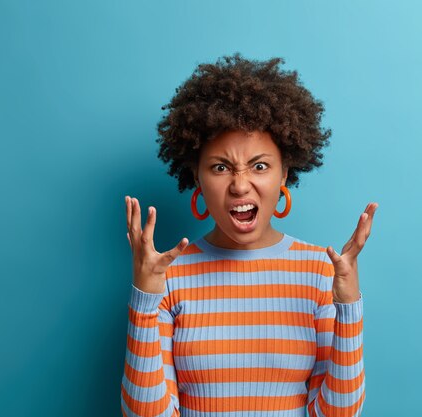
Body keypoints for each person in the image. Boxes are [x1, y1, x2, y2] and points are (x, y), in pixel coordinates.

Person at [120, 53, 378, 417]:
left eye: (259, 166)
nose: (240, 186)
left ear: (284, 172)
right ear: (197, 176)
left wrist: (349, 304)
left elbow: (337, 414)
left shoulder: (321, 272)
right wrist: (145, 297)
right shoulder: (168, 277)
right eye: (220, 167)